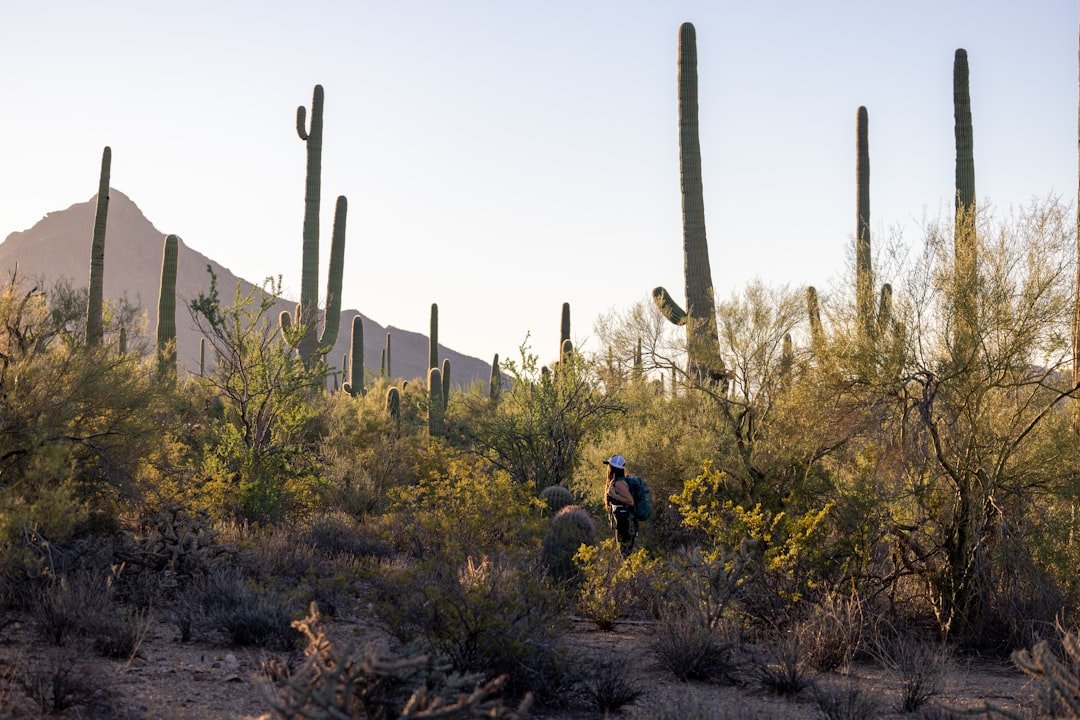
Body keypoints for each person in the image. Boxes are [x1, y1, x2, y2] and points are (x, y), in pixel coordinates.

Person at [604, 454, 636, 555]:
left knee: (625, 552)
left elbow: (630, 501)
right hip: (623, 521)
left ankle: (631, 570)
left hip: (625, 522)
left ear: (613, 468)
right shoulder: (616, 481)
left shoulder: (619, 484)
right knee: (624, 551)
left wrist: (615, 496)